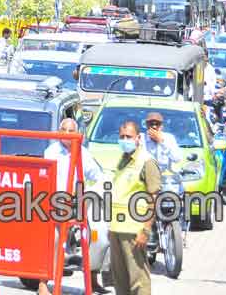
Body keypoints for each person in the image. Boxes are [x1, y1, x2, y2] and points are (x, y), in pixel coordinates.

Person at [39, 118, 108, 295]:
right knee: (51, 239)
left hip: (80, 203)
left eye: (72, 131)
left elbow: (98, 177)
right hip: (56, 203)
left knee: (99, 236)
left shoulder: (84, 153)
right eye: (65, 130)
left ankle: (92, 277)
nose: (68, 135)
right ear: (59, 131)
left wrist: (88, 195)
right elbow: (45, 180)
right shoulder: (51, 152)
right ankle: (43, 283)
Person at [108, 120, 161, 295]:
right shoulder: (122, 159)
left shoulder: (146, 161)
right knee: (120, 279)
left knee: (138, 280)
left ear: (138, 138)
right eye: (122, 136)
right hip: (116, 228)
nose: (124, 140)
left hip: (134, 230)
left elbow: (153, 198)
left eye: (128, 137)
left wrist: (145, 230)